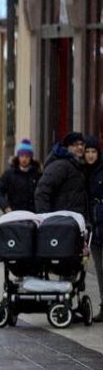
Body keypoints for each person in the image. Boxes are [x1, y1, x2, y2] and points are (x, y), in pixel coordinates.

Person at [35, 132, 88, 218]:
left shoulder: (79, 165)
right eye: (75, 145)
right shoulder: (60, 165)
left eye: (82, 144)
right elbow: (42, 191)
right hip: (61, 221)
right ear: (67, 147)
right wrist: (45, 217)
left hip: (73, 220)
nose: (80, 147)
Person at [83, 136, 103, 321]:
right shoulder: (83, 172)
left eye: (93, 151)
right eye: (87, 151)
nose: (90, 155)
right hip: (94, 229)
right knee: (99, 269)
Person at [0, 139, 41, 213]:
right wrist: (6, 207)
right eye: (22, 156)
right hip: (13, 214)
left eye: (27, 156)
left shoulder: (36, 175)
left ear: (30, 157)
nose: (24, 159)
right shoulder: (9, 174)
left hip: (32, 214)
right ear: (18, 156)